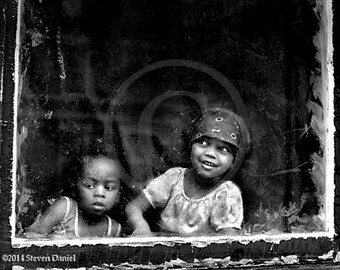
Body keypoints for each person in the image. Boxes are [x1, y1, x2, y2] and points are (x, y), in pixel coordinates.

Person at [126, 107, 250, 236]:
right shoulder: (174, 178)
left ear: (234, 161)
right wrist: (141, 227)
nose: (210, 153)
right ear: (190, 146)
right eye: (203, 142)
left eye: (223, 149)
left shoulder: (226, 195)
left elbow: (228, 241)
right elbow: (134, 207)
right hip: (162, 251)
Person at [24, 154, 123, 238]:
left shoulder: (114, 229)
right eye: (90, 185)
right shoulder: (65, 209)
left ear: (118, 195)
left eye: (109, 187)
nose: (100, 193)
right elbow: (31, 237)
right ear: (75, 187)